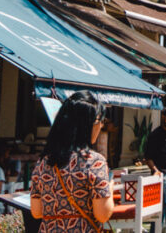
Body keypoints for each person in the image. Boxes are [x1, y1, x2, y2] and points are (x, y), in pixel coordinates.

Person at [30, 91, 114, 233]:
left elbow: (37, 212)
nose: (100, 127)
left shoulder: (43, 162)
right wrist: (110, 188)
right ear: (89, 124)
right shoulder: (94, 162)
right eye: (100, 122)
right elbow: (103, 215)